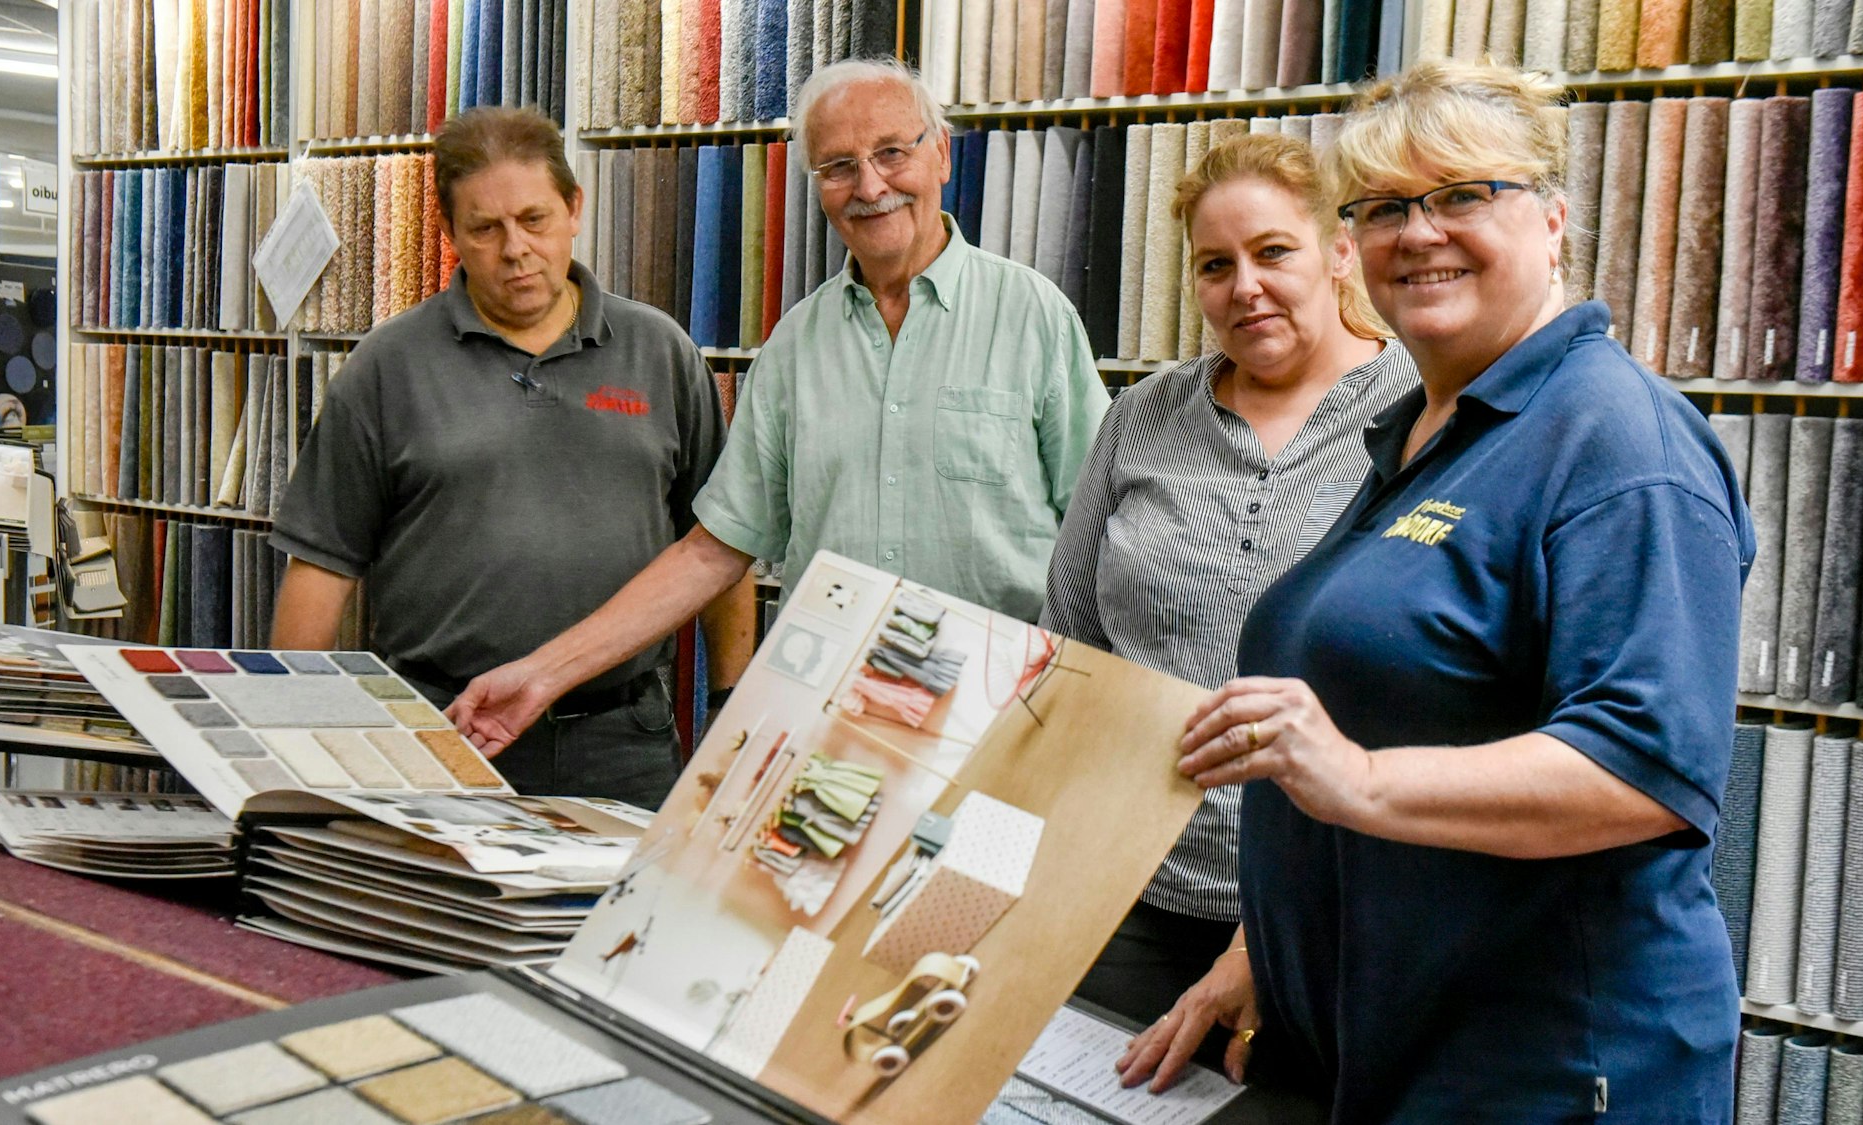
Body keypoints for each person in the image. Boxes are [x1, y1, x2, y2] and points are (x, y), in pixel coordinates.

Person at [1137, 61, 1754, 1120]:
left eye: (1463, 194)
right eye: (1382, 208)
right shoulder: (1433, 430)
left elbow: (1644, 768)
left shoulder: (1616, 441)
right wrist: (1261, 956)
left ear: (1552, 217)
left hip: (1545, 1068)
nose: (1417, 233)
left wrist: (1358, 779)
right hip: (1391, 1044)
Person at [447, 59, 1108, 753]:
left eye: (891, 152)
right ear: (817, 185)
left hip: (1002, 725)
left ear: (940, 152)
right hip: (835, 731)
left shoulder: (1033, 317)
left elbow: (1107, 538)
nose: (870, 186)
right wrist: (541, 676)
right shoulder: (795, 345)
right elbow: (713, 551)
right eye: (839, 167)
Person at [1042, 134, 1416, 1078]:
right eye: (1216, 265)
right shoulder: (1143, 418)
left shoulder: (1420, 413)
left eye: (1273, 251)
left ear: (1339, 250)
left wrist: (1266, 936)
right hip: (1130, 893)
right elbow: (1070, 645)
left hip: (1334, 915)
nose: (1245, 287)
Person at [270, 107, 754, 806]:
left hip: (621, 740)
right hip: (441, 730)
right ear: (450, 232)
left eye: (534, 219)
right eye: (486, 228)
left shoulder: (661, 352)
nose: (515, 249)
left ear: (574, 208)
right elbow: (321, 566)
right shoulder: (387, 367)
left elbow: (719, 544)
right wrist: (290, 749)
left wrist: (731, 711)